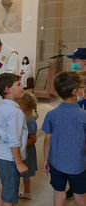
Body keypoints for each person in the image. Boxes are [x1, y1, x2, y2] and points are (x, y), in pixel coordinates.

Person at [42, 72, 86, 206]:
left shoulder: (51, 114)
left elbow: (47, 140)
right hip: (78, 165)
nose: (84, 90)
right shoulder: (84, 115)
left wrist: (45, 159)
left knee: (58, 193)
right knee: (80, 196)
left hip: (56, 163)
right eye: (82, 87)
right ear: (76, 92)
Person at [0, 73, 28, 206]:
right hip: (10, 158)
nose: (22, 87)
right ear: (8, 89)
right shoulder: (14, 112)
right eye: (18, 85)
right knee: (10, 195)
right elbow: (14, 140)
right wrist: (19, 162)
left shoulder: (4, 106)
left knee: (5, 187)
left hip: (2, 154)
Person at [65, 49, 86, 199]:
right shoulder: (76, 78)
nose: (73, 63)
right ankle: (75, 186)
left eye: (75, 61)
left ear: (84, 61)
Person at [16, 92, 38, 200]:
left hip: (27, 151)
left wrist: (21, 144)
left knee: (25, 174)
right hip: (23, 148)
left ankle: (27, 192)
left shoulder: (30, 121)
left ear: (23, 106)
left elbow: (33, 139)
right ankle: (26, 192)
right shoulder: (25, 117)